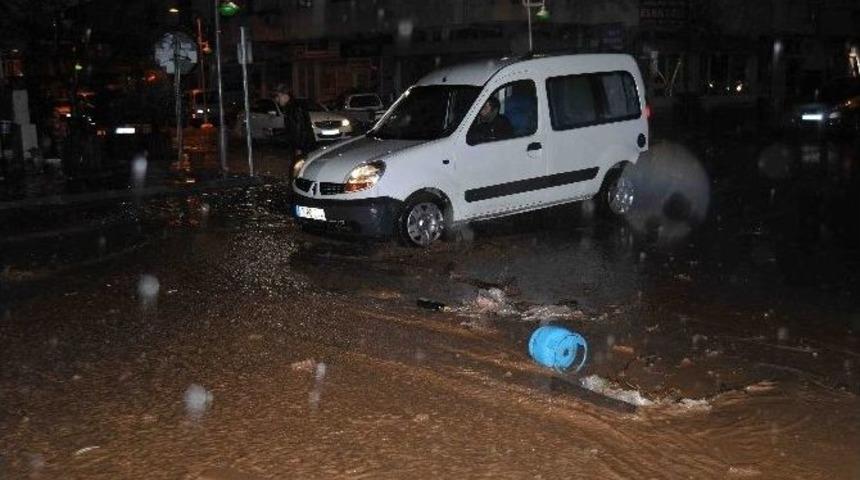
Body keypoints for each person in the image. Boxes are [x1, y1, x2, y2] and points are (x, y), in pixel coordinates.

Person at [273, 84, 316, 156]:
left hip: (304, 147)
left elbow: (299, 129)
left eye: (278, 96)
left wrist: (299, 148)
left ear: (284, 95)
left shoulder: (294, 108)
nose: (276, 100)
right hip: (302, 146)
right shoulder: (291, 107)